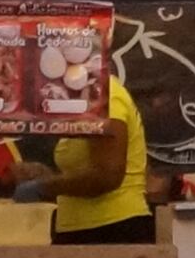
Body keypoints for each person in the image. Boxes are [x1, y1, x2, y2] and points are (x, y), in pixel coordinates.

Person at [45, 70, 157, 247]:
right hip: (78, 232)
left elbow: (108, 175)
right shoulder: (79, 99)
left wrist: (46, 186)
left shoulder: (105, 94)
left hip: (114, 230)